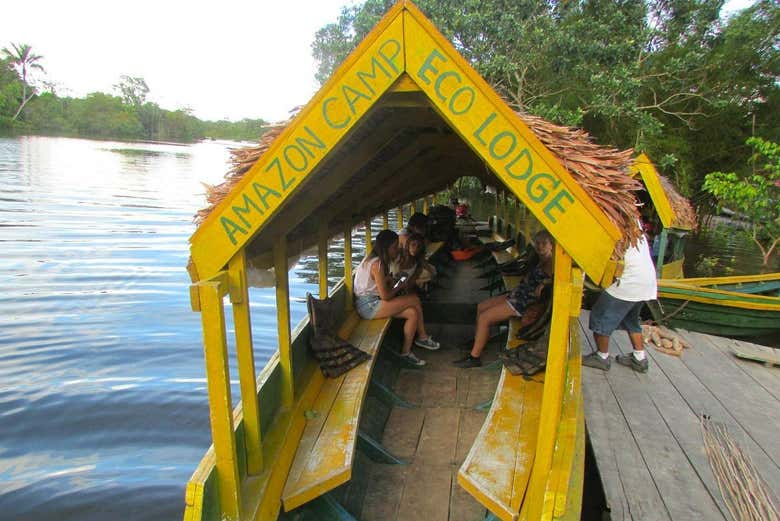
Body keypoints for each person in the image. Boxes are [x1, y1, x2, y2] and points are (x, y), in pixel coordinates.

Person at [453, 230, 555, 368]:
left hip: (523, 303)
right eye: (538, 243)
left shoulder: (552, 263)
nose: (540, 247)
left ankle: (474, 357)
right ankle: (480, 339)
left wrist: (545, 284)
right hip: (518, 294)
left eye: (544, 244)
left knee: (484, 318)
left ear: (551, 245)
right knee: (481, 307)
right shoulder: (541, 259)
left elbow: (555, 282)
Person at [353, 229, 440, 366]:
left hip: (371, 302)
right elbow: (386, 296)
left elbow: (376, 284)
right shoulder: (378, 264)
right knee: (414, 299)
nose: (396, 251)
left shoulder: (373, 260)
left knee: (412, 313)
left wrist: (390, 280)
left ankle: (406, 352)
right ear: (386, 248)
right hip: (368, 306)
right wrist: (400, 285)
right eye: (394, 248)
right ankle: (422, 337)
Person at [582, 227, 658, 373]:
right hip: (646, 279)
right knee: (631, 320)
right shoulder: (633, 223)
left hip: (629, 280)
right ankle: (639, 358)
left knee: (600, 316)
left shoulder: (614, 224)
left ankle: (602, 357)